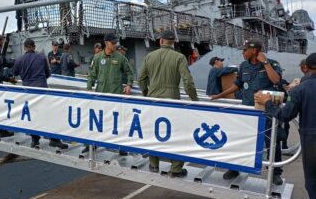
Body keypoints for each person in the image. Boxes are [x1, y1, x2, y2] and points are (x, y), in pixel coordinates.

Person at [211, 38, 283, 185]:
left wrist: (265, 63)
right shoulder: (244, 66)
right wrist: (219, 95)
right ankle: (234, 168)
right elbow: (237, 85)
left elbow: (276, 80)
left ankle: (275, 172)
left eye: (245, 50)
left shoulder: (272, 63)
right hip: (247, 111)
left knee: (272, 142)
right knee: (240, 140)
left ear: (254, 51)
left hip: (267, 112)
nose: (243, 52)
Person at [254, 52, 316, 199]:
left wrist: (267, 102)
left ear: (307, 68)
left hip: (312, 139)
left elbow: (285, 115)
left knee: (312, 179)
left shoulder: (300, 89)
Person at [138, 30, 198, 177]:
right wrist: (195, 100)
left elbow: (141, 79)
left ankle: (153, 164)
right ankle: (176, 168)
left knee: (153, 131)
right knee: (176, 133)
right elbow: (188, 82)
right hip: (172, 99)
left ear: (161, 41)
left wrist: (147, 93)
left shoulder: (149, 56)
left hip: (153, 99)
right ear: (173, 42)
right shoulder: (179, 57)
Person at [13, 38, 69, 149]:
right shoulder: (41, 57)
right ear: (34, 46)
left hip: (28, 91)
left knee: (32, 115)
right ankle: (54, 139)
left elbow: (14, 72)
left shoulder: (19, 59)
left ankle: (35, 140)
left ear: (24, 48)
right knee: (48, 114)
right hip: (41, 90)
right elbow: (48, 74)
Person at [87, 33, 134, 155]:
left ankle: (121, 148)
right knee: (97, 122)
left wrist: (129, 84)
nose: (115, 45)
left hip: (115, 96)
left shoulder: (120, 58)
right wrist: (88, 88)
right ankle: (92, 145)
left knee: (118, 123)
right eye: (113, 43)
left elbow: (129, 72)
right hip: (100, 95)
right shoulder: (97, 58)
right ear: (107, 43)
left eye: (116, 43)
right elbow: (92, 74)